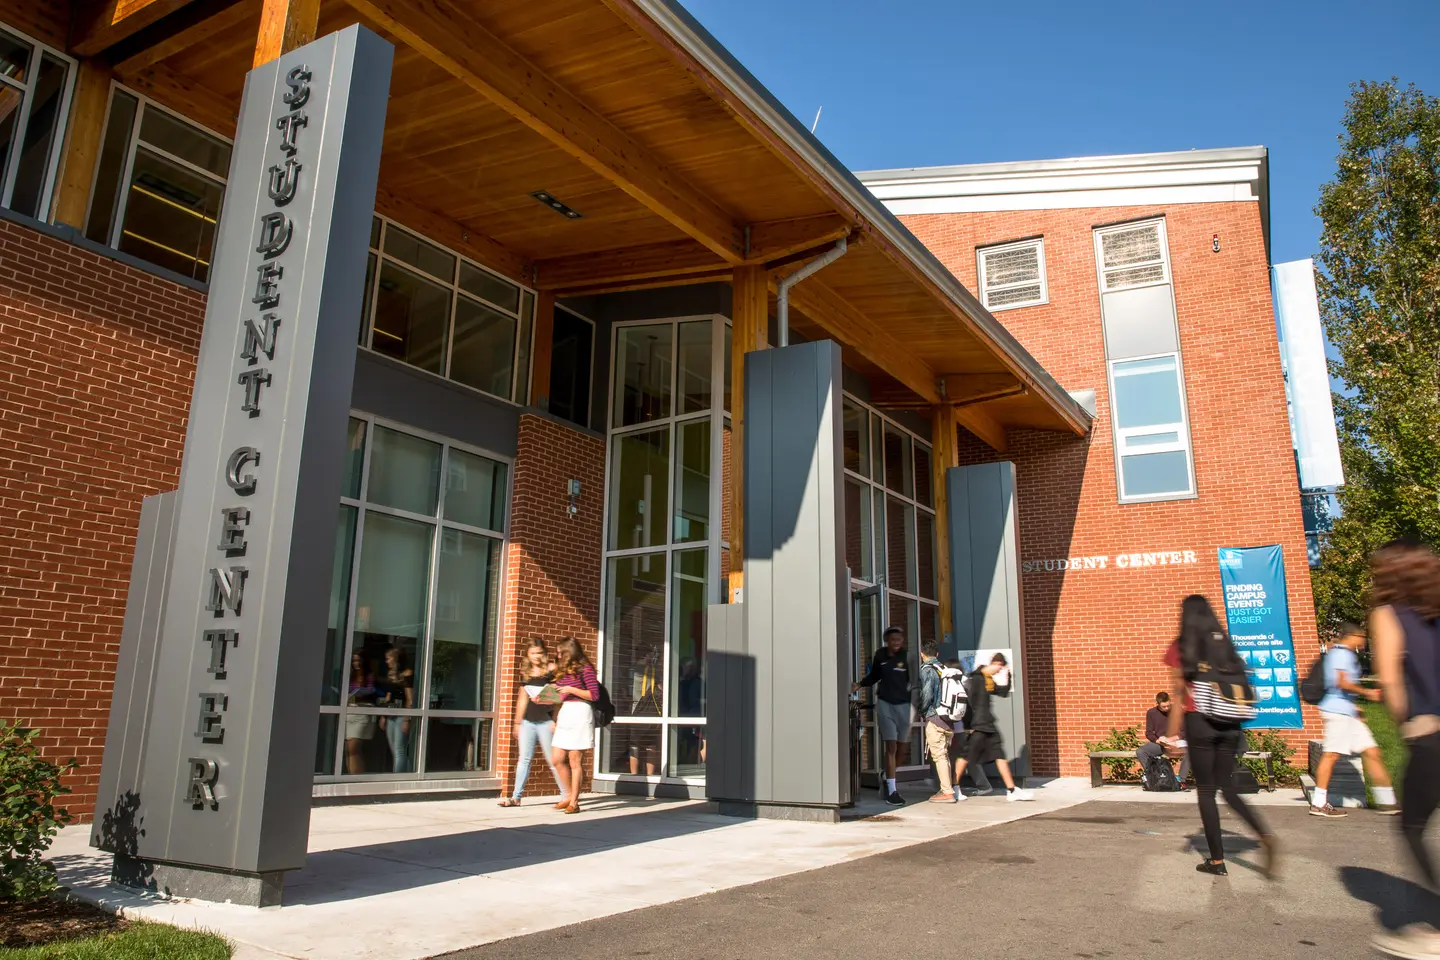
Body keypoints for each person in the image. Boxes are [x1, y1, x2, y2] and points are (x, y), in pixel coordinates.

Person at [1164, 595, 1277, 878]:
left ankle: (1216, 861)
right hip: (1230, 722)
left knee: (1205, 791)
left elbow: (1180, 694)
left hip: (1200, 721)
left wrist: (1171, 737)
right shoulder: (1225, 646)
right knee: (1227, 787)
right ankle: (1264, 835)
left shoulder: (1182, 647)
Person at [1366, 539, 1440, 959]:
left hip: (1430, 733)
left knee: (1412, 826)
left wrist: (1407, 726)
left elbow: (1391, 679)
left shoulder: (1388, 614)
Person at [1310, 622, 1397, 818]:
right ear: (1353, 636)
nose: (1363, 641)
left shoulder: (1339, 653)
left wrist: (1355, 706)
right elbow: (1341, 682)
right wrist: (1367, 692)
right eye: (1362, 637)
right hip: (1337, 712)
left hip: (1347, 711)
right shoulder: (1341, 654)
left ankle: (1387, 801)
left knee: (1372, 751)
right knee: (1331, 755)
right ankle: (1319, 803)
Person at [951, 653, 1033, 802]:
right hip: (979, 726)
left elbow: (1002, 692)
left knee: (999, 755)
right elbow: (968, 704)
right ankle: (953, 787)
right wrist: (969, 725)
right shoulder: (976, 679)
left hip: (988, 725)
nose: (998, 671)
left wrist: (1008, 675)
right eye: (999, 668)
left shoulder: (987, 679)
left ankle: (1012, 790)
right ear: (996, 663)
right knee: (965, 756)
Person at [853, 626, 913, 805]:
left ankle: (886, 775)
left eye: (899, 640)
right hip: (885, 704)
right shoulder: (880, 656)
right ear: (887, 641)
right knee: (891, 747)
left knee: (903, 750)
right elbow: (874, 676)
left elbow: (914, 681)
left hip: (904, 705)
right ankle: (892, 791)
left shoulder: (907, 657)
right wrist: (860, 684)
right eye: (893, 640)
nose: (896, 643)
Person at [500, 639, 560, 807]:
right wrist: (517, 723)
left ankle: (566, 795)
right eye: (533, 653)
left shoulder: (551, 670)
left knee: (553, 760)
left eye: (540, 653)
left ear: (544, 653)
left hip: (546, 721)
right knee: (524, 759)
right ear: (528, 654)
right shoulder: (526, 672)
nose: (536, 657)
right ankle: (516, 797)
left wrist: (555, 719)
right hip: (528, 721)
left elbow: (558, 698)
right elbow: (522, 699)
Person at [550, 637, 600, 815]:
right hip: (565, 713)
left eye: (560, 652)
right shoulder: (563, 671)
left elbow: (594, 695)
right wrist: (545, 697)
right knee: (557, 758)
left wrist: (571, 690)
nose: (557, 655)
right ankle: (568, 794)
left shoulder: (585, 668)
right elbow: (559, 697)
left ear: (569, 652)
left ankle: (574, 802)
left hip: (581, 713)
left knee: (574, 760)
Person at [916, 640, 957, 803]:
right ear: (937, 654)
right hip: (949, 718)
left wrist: (921, 711)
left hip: (935, 717)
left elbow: (927, 694)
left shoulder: (927, 670)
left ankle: (947, 792)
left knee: (939, 756)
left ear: (922, 655)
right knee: (944, 755)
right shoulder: (944, 669)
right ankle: (947, 788)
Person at [1138, 692, 1190, 786]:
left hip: (1177, 743)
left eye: (1168, 706)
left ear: (1170, 701)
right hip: (1161, 744)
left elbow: (1184, 731)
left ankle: (1181, 780)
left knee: (1191, 751)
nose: (1166, 708)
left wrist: (1172, 740)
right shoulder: (1151, 713)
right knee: (1141, 751)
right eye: (1163, 707)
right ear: (1158, 704)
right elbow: (1149, 733)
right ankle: (1155, 777)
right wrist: (1159, 741)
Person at [378, 644, 415, 773]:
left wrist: (407, 719)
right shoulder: (391, 674)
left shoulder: (407, 673)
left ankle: (397, 779)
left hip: (401, 715)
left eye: (388, 658)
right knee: (396, 750)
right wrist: (383, 716)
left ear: (396, 659)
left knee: (400, 749)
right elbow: (388, 696)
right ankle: (410, 774)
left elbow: (410, 699)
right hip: (391, 714)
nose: (386, 661)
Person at [344, 653, 378, 775]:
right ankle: (351, 777)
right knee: (349, 750)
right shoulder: (350, 675)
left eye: (359, 660)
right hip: (350, 711)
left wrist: (360, 692)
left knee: (353, 748)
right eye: (354, 660)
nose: (356, 663)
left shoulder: (369, 676)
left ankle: (356, 779)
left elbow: (372, 690)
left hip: (362, 711)